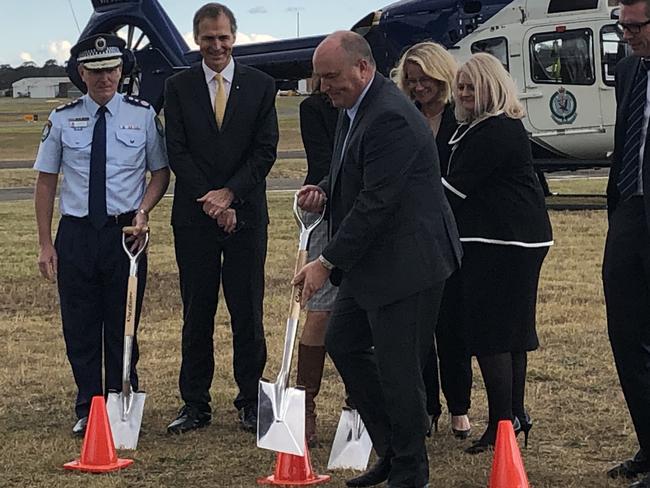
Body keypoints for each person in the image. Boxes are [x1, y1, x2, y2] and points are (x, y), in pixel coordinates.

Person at [293, 31, 462, 488]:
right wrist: (325, 190)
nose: (324, 87)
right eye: (320, 78)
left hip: (409, 265)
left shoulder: (389, 116)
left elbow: (377, 202)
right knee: (345, 342)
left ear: (363, 68)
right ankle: (392, 449)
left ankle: (410, 470)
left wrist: (325, 261)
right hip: (376, 264)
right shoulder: (355, 107)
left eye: (331, 77)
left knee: (399, 369)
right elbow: (354, 166)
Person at [33, 33, 170, 436]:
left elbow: (160, 174)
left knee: (123, 322)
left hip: (125, 233)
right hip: (75, 233)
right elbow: (45, 182)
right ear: (82, 73)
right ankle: (88, 406)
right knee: (79, 325)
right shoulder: (62, 118)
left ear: (121, 70)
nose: (103, 78)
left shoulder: (143, 116)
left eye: (110, 69)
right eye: (95, 71)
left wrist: (143, 212)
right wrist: (45, 243)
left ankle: (122, 400)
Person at [164, 2, 279, 434]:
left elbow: (265, 149)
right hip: (195, 218)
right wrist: (211, 202)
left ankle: (251, 401)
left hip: (246, 215)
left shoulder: (261, 85)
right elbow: (178, 150)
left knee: (247, 309)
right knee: (198, 311)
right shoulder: (178, 87)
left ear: (235, 37)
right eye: (209, 38)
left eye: (224, 37)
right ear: (197, 39)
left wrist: (230, 196)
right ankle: (195, 403)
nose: (217, 46)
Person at [441, 53, 553, 454]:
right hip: (514, 239)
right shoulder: (490, 129)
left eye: (473, 87)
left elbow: (453, 191)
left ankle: (501, 423)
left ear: (492, 87)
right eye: (462, 86)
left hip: (502, 242)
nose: (465, 93)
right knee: (512, 336)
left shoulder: (494, 131)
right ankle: (512, 416)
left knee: (491, 336)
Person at [393, 41, 472, 439]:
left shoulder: (462, 120)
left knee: (452, 327)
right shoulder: (403, 116)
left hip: (454, 236)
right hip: (412, 238)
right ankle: (426, 408)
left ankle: (460, 406)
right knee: (418, 332)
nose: (419, 87)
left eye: (425, 79)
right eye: (412, 80)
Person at [603, 1, 650, 486]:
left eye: (635, 27)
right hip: (630, 213)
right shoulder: (629, 70)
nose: (627, 35)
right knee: (626, 334)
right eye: (623, 26)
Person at [296, 80, 339, 447]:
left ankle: (360, 405)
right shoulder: (314, 110)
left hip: (373, 212)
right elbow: (326, 161)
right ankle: (304, 405)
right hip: (328, 209)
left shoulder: (380, 107)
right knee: (321, 310)